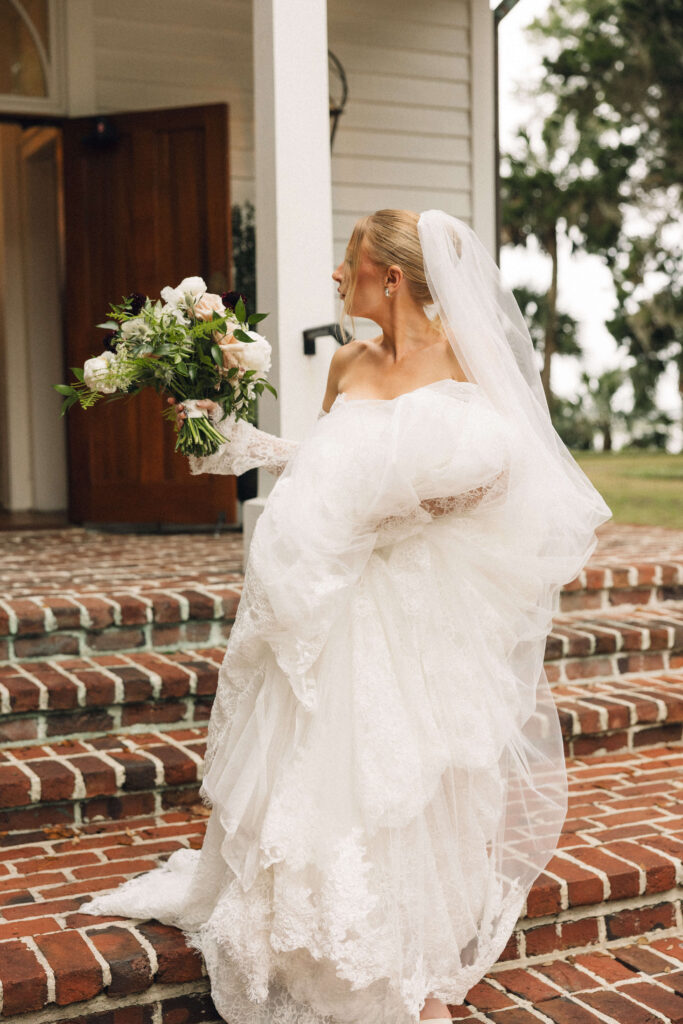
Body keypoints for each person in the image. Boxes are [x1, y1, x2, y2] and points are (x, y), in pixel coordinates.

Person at [80, 209, 612, 1024]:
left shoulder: (470, 359)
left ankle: (399, 952)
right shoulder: (345, 363)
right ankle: (318, 934)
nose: (335, 276)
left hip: (409, 599)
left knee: (395, 774)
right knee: (318, 764)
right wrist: (228, 430)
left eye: (347, 262)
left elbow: (509, 477)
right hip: (328, 595)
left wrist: (401, 513)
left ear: (389, 277)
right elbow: (326, 458)